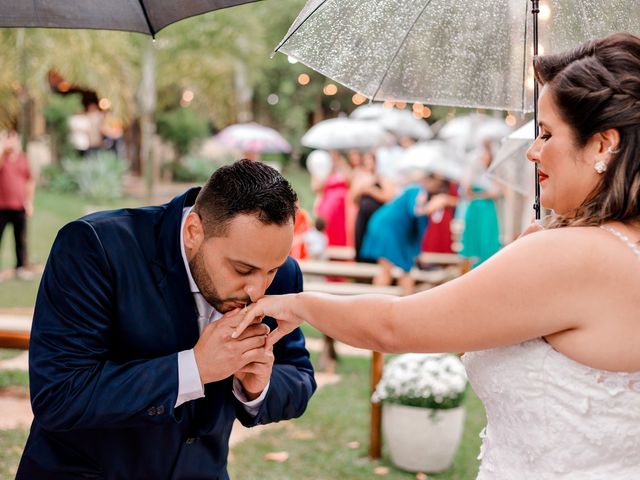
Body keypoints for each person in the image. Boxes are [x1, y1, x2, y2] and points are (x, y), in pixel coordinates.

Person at [234, 33, 640, 479]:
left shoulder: (573, 255)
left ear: (603, 144)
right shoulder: (618, 250)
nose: (533, 150)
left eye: (547, 133)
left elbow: (394, 326)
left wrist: (296, 304)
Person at [18, 160, 316, 479]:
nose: (257, 290)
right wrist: (195, 368)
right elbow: (60, 395)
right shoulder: (95, 247)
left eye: (270, 271)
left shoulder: (282, 274)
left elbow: (299, 376)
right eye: (242, 270)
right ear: (193, 232)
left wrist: (256, 387)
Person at [0, 131, 35, 281]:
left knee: (20, 240)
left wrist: (29, 202)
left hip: (19, 207)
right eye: (9, 139)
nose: (11, 142)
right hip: (2, 207)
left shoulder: (23, 159)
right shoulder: (3, 158)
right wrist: (2, 147)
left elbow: (30, 181)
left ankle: (20, 267)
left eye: (14, 139)